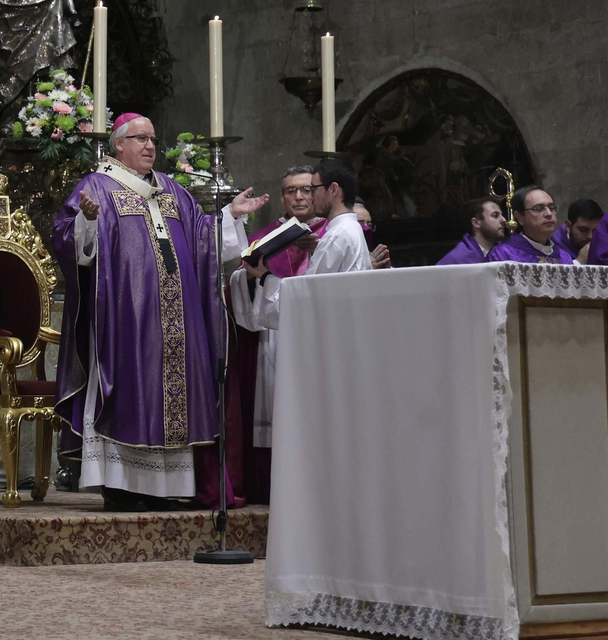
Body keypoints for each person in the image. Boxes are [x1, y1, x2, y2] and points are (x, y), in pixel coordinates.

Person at [55, 113, 269, 513]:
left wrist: (231, 217)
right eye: (140, 138)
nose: (150, 146)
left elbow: (202, 237)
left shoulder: (171, 190)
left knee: (174, 396)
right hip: (125, 320)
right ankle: (119, 486)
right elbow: (68, 243)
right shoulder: (97, 187)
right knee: (128, 390)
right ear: (119, 144)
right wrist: (86, 221)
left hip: (176, 323)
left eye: (153, 138)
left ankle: (165, 486)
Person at [227, 167, 323, 471]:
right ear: (282, 197)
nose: (299, 196)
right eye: (291, 190)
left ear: (318, 192)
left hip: (320, 336)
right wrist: (249, 275)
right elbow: (239, 277)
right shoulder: (265, 237)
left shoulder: (334, 232)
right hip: (275, 335)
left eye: (306, 189)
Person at [238, 158, 372, 330]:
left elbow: (306, 298)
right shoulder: (350, 228)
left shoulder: (336, 236)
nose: (309, 197)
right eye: (291, 191)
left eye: (313, 189)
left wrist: (265, 277)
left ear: (333, 189)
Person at [488, 187, 575, 264]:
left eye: (552, 208)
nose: (549, 214)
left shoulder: (564, 257)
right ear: (520, 217)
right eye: (538, 209)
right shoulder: (502, 255)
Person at [436, 198, 508, 265]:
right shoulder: (456, 259)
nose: (503, 220)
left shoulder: (507, 252)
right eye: (495, 215)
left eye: (502, 215)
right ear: (476, 223)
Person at [556, 198, 603, 263]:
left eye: (595, 231)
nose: (590, 236)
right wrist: (578, 262)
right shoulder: (554, 246)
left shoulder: (603, 241)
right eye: (583, 230)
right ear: (568, 226)